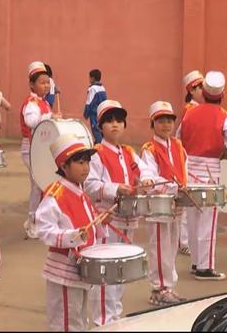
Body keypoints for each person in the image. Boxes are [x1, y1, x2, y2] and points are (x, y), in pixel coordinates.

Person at [84, 99, 154, 326]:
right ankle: (102, 319)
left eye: (119, 121)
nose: (115, 125)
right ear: (100, 126)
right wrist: (115, 189)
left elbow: (144, 171)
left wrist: (146, 179)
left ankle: (114, 315)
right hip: (108, 219)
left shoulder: (128, 152)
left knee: (120, 270)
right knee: (106, 271)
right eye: (109, 121)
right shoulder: (96, 153)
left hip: (128, 219)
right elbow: (90, 185)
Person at [36, 134, 104, 331]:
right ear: (64, 167)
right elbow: (43, 229)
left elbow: (88, 223)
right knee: (66, 323)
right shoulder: (56, 194)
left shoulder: (79, 191)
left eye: (87, 162)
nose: (86, 168)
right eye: (80, 162)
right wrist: (71, 236)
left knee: (79, 320)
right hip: (63, 271)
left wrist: (100, 223)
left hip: (80, 270)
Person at [179, 71, 227, 280]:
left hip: (189, 170)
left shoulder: (189, 113)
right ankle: (205, 267)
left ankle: (196, 261)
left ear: (205, 93)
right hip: (210, 172)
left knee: (192, 219)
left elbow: (179, 139)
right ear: (221, 95)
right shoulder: (223, 117)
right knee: (208, 221)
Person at [141, 101, 187, 306]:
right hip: (158, 205)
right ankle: (159, 288)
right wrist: (172, 186)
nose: (166, 125)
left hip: (176, 205)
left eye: (169, 120)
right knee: (159, 247)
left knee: (171, 246)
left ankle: (169, 286)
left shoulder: (178, 145)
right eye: (161, 121)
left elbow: (185, 170)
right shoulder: (149, 149)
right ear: (153, 124)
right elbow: (149, 177)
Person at [20, 62, 59, 239]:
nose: (46, 85)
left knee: (45, 185)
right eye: (42, 82)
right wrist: (50, 117)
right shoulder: (31, 103)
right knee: (37, 186)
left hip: (41, 150)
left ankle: (41, 219)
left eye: (47, 82)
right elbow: (31, 121)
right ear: (31, 85)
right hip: (31, 150)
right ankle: (32, 221)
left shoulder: (43, 102)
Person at [178, 70, 204, 255]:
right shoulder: (190, 110)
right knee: (188, 204)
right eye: (199, 87)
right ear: (192, 90)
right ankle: (184, 241)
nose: (202, 90)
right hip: (190, 159)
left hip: (194, 158)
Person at [83, 69, 107, 144]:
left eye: (89, 77)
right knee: (102, 131)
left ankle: (100, 149)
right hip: (102, 113)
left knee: (96, 132)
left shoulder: (92, 89)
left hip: (94, 115)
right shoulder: (102, 88)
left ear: (92, 78)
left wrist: (86, 114)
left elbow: (89, 102)